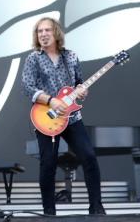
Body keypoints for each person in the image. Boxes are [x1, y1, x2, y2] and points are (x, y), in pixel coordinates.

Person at [21, 16, 105, 215]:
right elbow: (27, 87)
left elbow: (78, 84)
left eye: (47, 30)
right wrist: (51, 101)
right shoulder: (34, 58)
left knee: (89, 157)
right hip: (47, 117)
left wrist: (82, 91)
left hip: (72, 118)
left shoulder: (72, 57)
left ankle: (96, 208)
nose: (43, 34)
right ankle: (49, 212)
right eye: (39, 31)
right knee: (48, 163)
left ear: (56, 32)